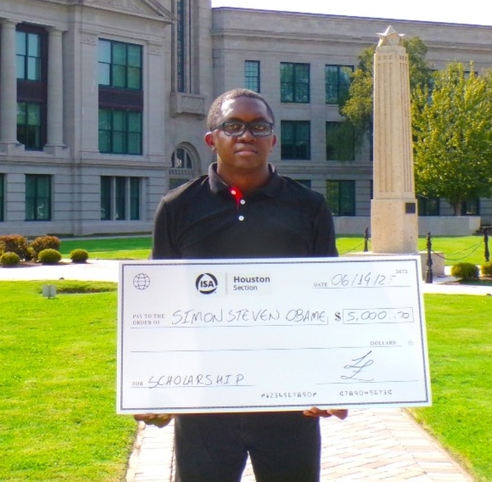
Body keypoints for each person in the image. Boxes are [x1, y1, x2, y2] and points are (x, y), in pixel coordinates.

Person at [140, 88, 346, 482]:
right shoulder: (177, 207)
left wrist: (334, 382)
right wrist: (154, 389)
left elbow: (329, 300)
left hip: (289, 399)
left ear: (273, 139)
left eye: (258, 126)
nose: (246, 135)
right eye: (232, 126)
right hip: (205, 401)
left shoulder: (309, 207)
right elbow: (159, 307)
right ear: (211, 139)